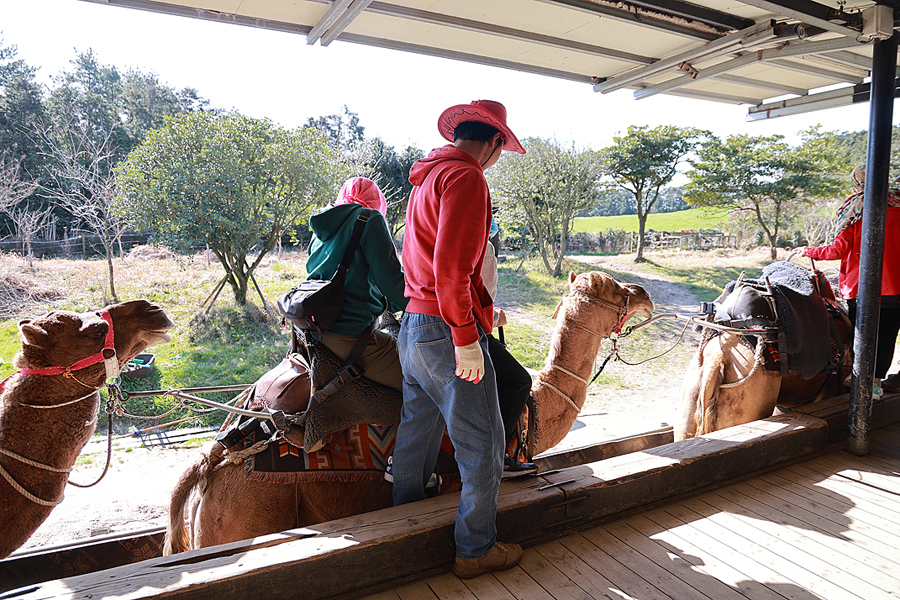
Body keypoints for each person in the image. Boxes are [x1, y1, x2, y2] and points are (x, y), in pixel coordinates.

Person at [391, 100, 526, 579]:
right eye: (500, 150)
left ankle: (399, 527)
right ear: (491, 144)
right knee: (483, 443)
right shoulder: (468, 178)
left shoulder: (427, 176)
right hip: (448, 331)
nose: (497, 158)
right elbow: (453, 269)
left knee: (416, 430)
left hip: (413, 326)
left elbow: (423, 262)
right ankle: (475, 549)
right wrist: (467, 337)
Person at [798, 165, 900, 398]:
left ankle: (857, 383)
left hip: (864, 287)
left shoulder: (856, 210)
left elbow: (839, 249)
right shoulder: (898, 205)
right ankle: (874, 385)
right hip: (897, 288)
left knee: (862, 337)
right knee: (886, 337)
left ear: (857, 182)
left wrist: (810, 252)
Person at [305, 177, 408, 391]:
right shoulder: (370, 219)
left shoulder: (321, 231)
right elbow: (392, 283)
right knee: (426, 380)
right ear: (378, 202)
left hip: (314, 331)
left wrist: (393, 303)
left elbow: (355, 283)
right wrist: (428, 308)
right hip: (350, 335)